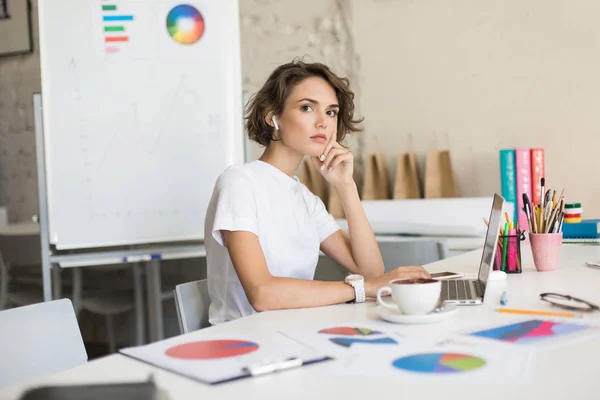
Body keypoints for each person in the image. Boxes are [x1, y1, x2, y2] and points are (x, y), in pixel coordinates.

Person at [204, 59, 430, 325]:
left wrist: (346, 187)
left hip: (297, 332)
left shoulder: (304, 197)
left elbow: (369, 270)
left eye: (331, 112)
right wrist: (361, 290)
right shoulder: (239, 182)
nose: (323, 122)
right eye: (307, 108)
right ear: (272, 116)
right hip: (245, 342)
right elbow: (262, 294)